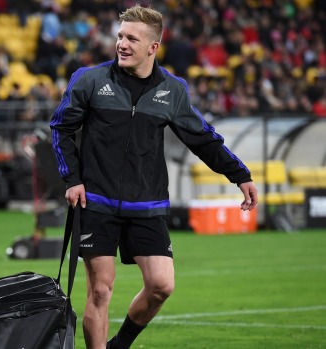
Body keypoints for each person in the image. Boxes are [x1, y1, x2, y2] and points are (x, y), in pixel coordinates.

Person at [49, 5, 258, 349]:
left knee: (161, 285)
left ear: (153, 47)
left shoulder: (173, 90)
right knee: (100, 290)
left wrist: (240, 175)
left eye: (132, 38)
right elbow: (61, 128)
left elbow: (202, 138)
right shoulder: (89, 80)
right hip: (96, 201)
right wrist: (72, 179)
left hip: (147, 203)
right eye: (120, 36)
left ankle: (120, 344)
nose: (122, 44)